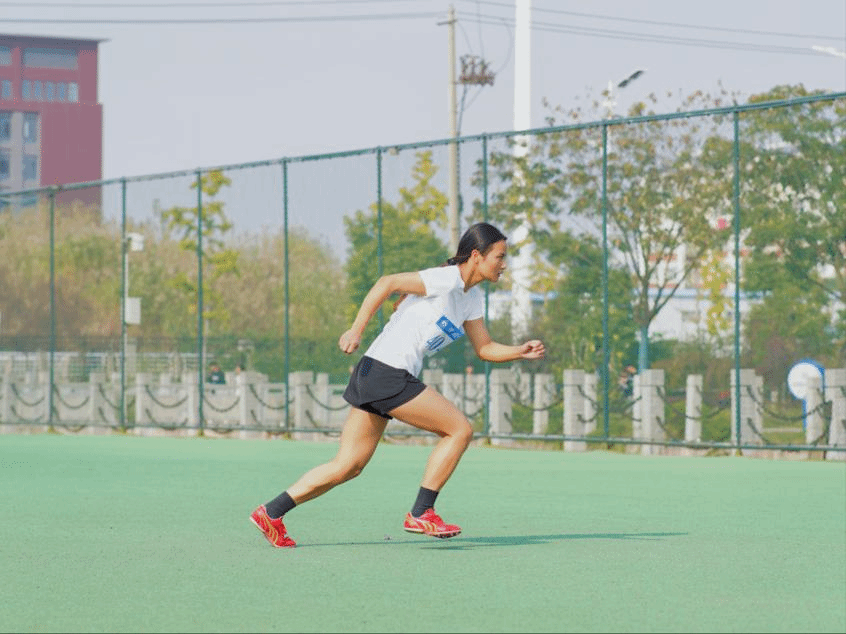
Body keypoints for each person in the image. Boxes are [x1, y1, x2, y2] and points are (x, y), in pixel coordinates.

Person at [249, 222, 546, 548]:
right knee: (459, 430)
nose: (504, 265)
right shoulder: (446, 279)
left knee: (348, 466)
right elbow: (387, 283)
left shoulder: (471, 299)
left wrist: (519, 351)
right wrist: (356, 329)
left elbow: (485, 348)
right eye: (499, 257)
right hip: (386, 372)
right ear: (476, 256)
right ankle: (422, 512)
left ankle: (271, 512)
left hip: (374, 373)